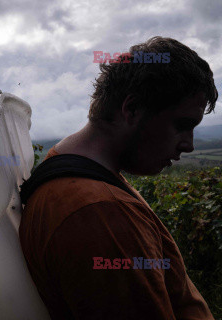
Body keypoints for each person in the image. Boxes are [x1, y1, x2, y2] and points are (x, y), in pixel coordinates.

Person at [19, 37, 218, 319]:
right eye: (182, 125)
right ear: (132, 109)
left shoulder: (74, 172)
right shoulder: (99, 212)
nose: (189, 145)